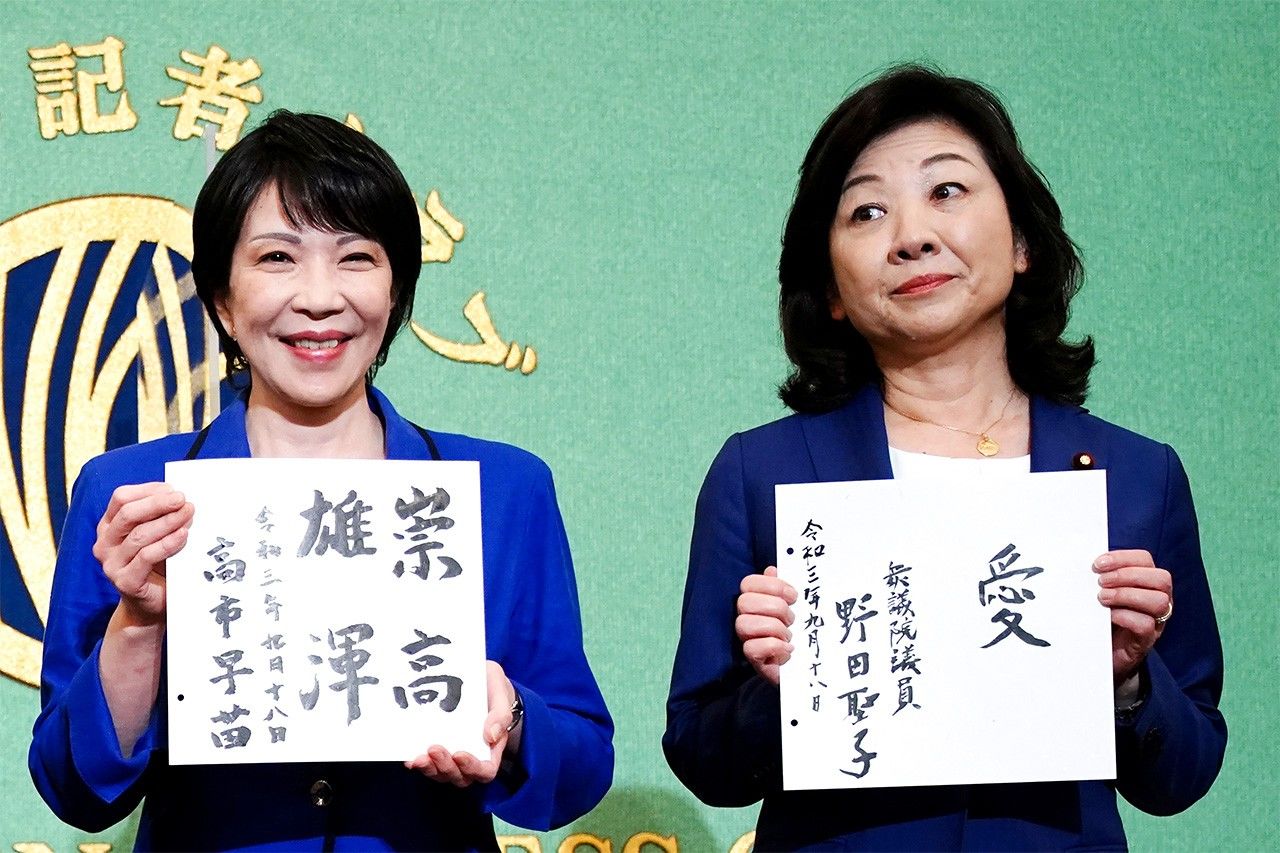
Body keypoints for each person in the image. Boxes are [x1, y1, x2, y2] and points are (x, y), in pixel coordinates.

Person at [664, 65, 1225, 849]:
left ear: (1023, 242)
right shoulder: (763, 473)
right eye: (867, 210)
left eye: (948, 192)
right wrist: (785, 687)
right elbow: (701, 753)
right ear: (829, 286)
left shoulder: (1136, 476)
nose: (913, 235)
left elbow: (1185, 771)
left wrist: (1128, 679)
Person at [30, 110, 613, 850]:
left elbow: (584, 764)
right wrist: (140, 624)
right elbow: (72, 787)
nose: (319, 296)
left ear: (395, 290)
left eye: (355, 258)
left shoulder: (504, 490)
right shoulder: (134, 494)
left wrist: (514, 719)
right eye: (278, 258)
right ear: (221, 299)